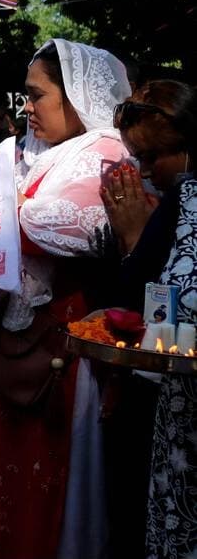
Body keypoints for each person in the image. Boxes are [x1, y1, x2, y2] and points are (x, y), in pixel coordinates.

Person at [0, 39, 132, 559]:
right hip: (11, 348)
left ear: (75, 98)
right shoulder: (31, 153)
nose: (25, 108)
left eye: (36, 96)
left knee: (47, 483)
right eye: (25, 97)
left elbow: (64, 231)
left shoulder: (107, 153)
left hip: (63, 346)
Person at [100, 81, 197, 559]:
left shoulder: (184, 199)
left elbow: (168, 312)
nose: (143, 173)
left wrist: (137, 241)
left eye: (151, 158)